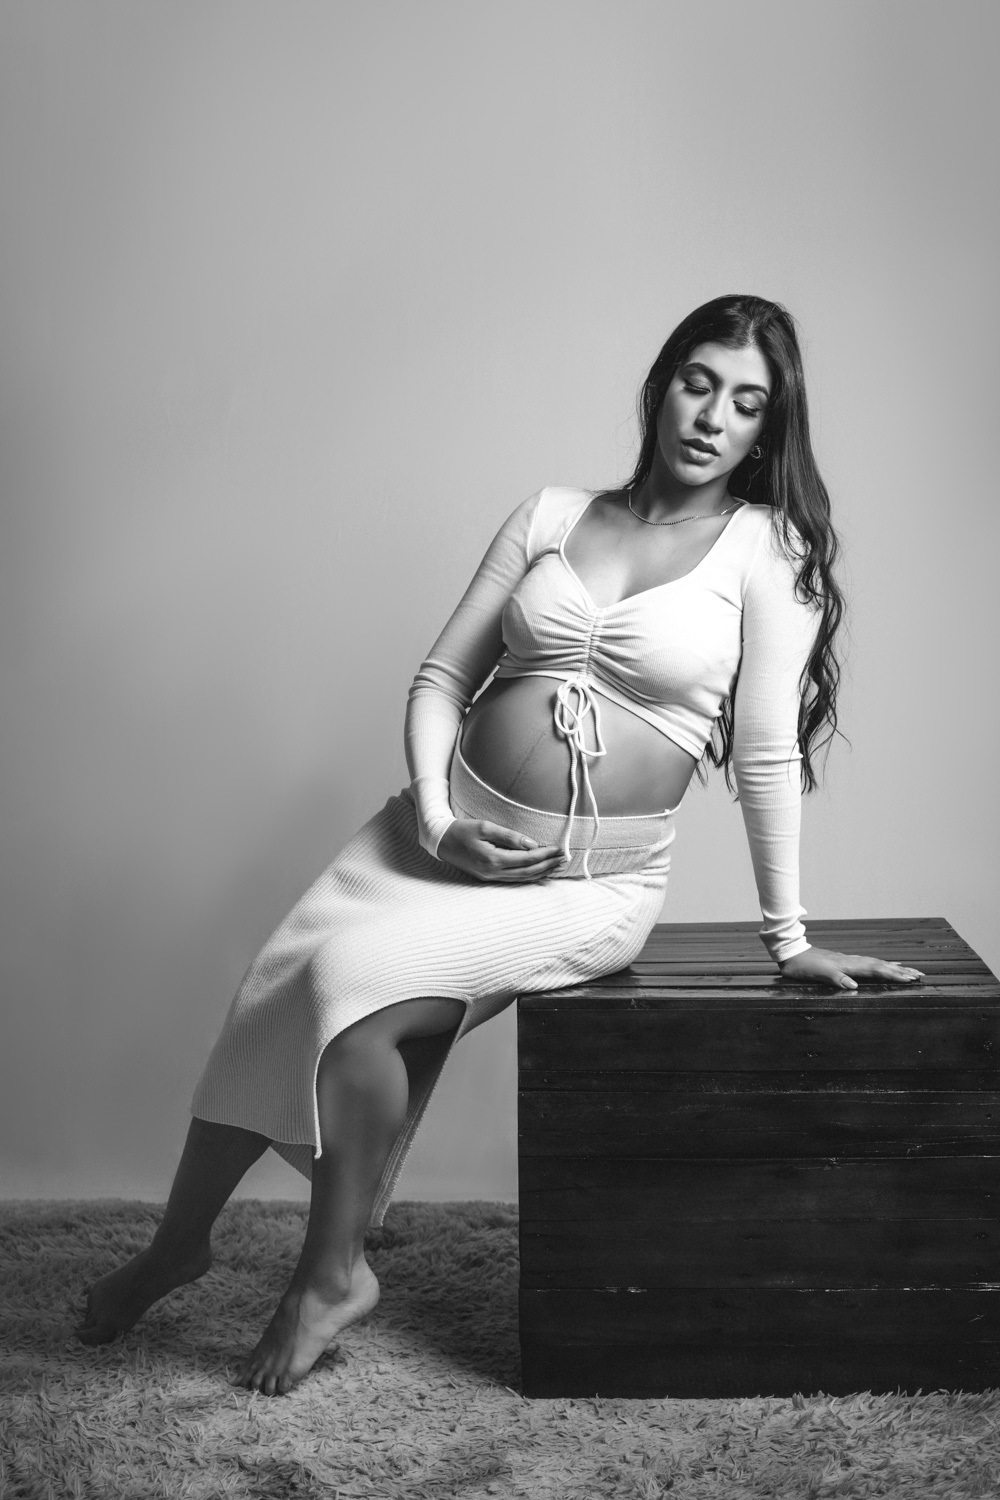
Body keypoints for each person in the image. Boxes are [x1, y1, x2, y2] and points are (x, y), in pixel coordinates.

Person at [76, 294, 923, 1395]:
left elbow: (763, 752)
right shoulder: (552, 514)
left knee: (349, 990)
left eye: (747, 403)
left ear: (769, 430)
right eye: (698, 383)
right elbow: (441, 680)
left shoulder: (770, 548)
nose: (714, 416)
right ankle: (175, 1246)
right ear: (663, 386)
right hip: (429, 839)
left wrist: (789, 937)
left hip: (582, 886)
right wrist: (437, 821)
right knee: (274, 993)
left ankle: (329, 1277)